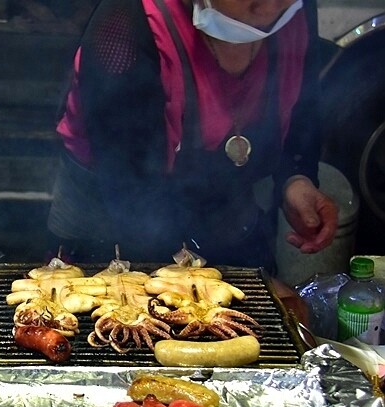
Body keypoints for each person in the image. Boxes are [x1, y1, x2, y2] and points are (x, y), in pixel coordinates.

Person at [47, 0, 339, 277]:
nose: (270, 7)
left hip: (222, 203)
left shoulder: (291, 9)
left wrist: (296, 179)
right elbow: (130, 188)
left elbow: (303, 109)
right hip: (111, 208)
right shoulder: (125, 24)